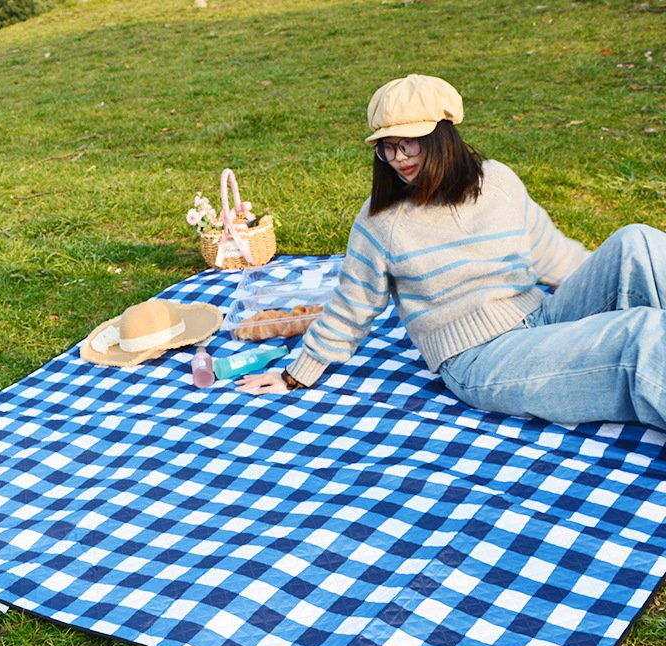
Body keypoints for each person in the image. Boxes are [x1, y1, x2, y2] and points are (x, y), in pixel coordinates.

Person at [237, 73, 666, 431]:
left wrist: (608, 290)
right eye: (386, 146)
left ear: (442, 136)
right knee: (639, 337)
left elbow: (550, 252)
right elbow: (352, 308)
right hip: (480, 358)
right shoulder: (381, 221)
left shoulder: (497, 180)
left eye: (410, 142)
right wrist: (296, 374)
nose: (397, 157)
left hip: (539, 316)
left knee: (637, 243)